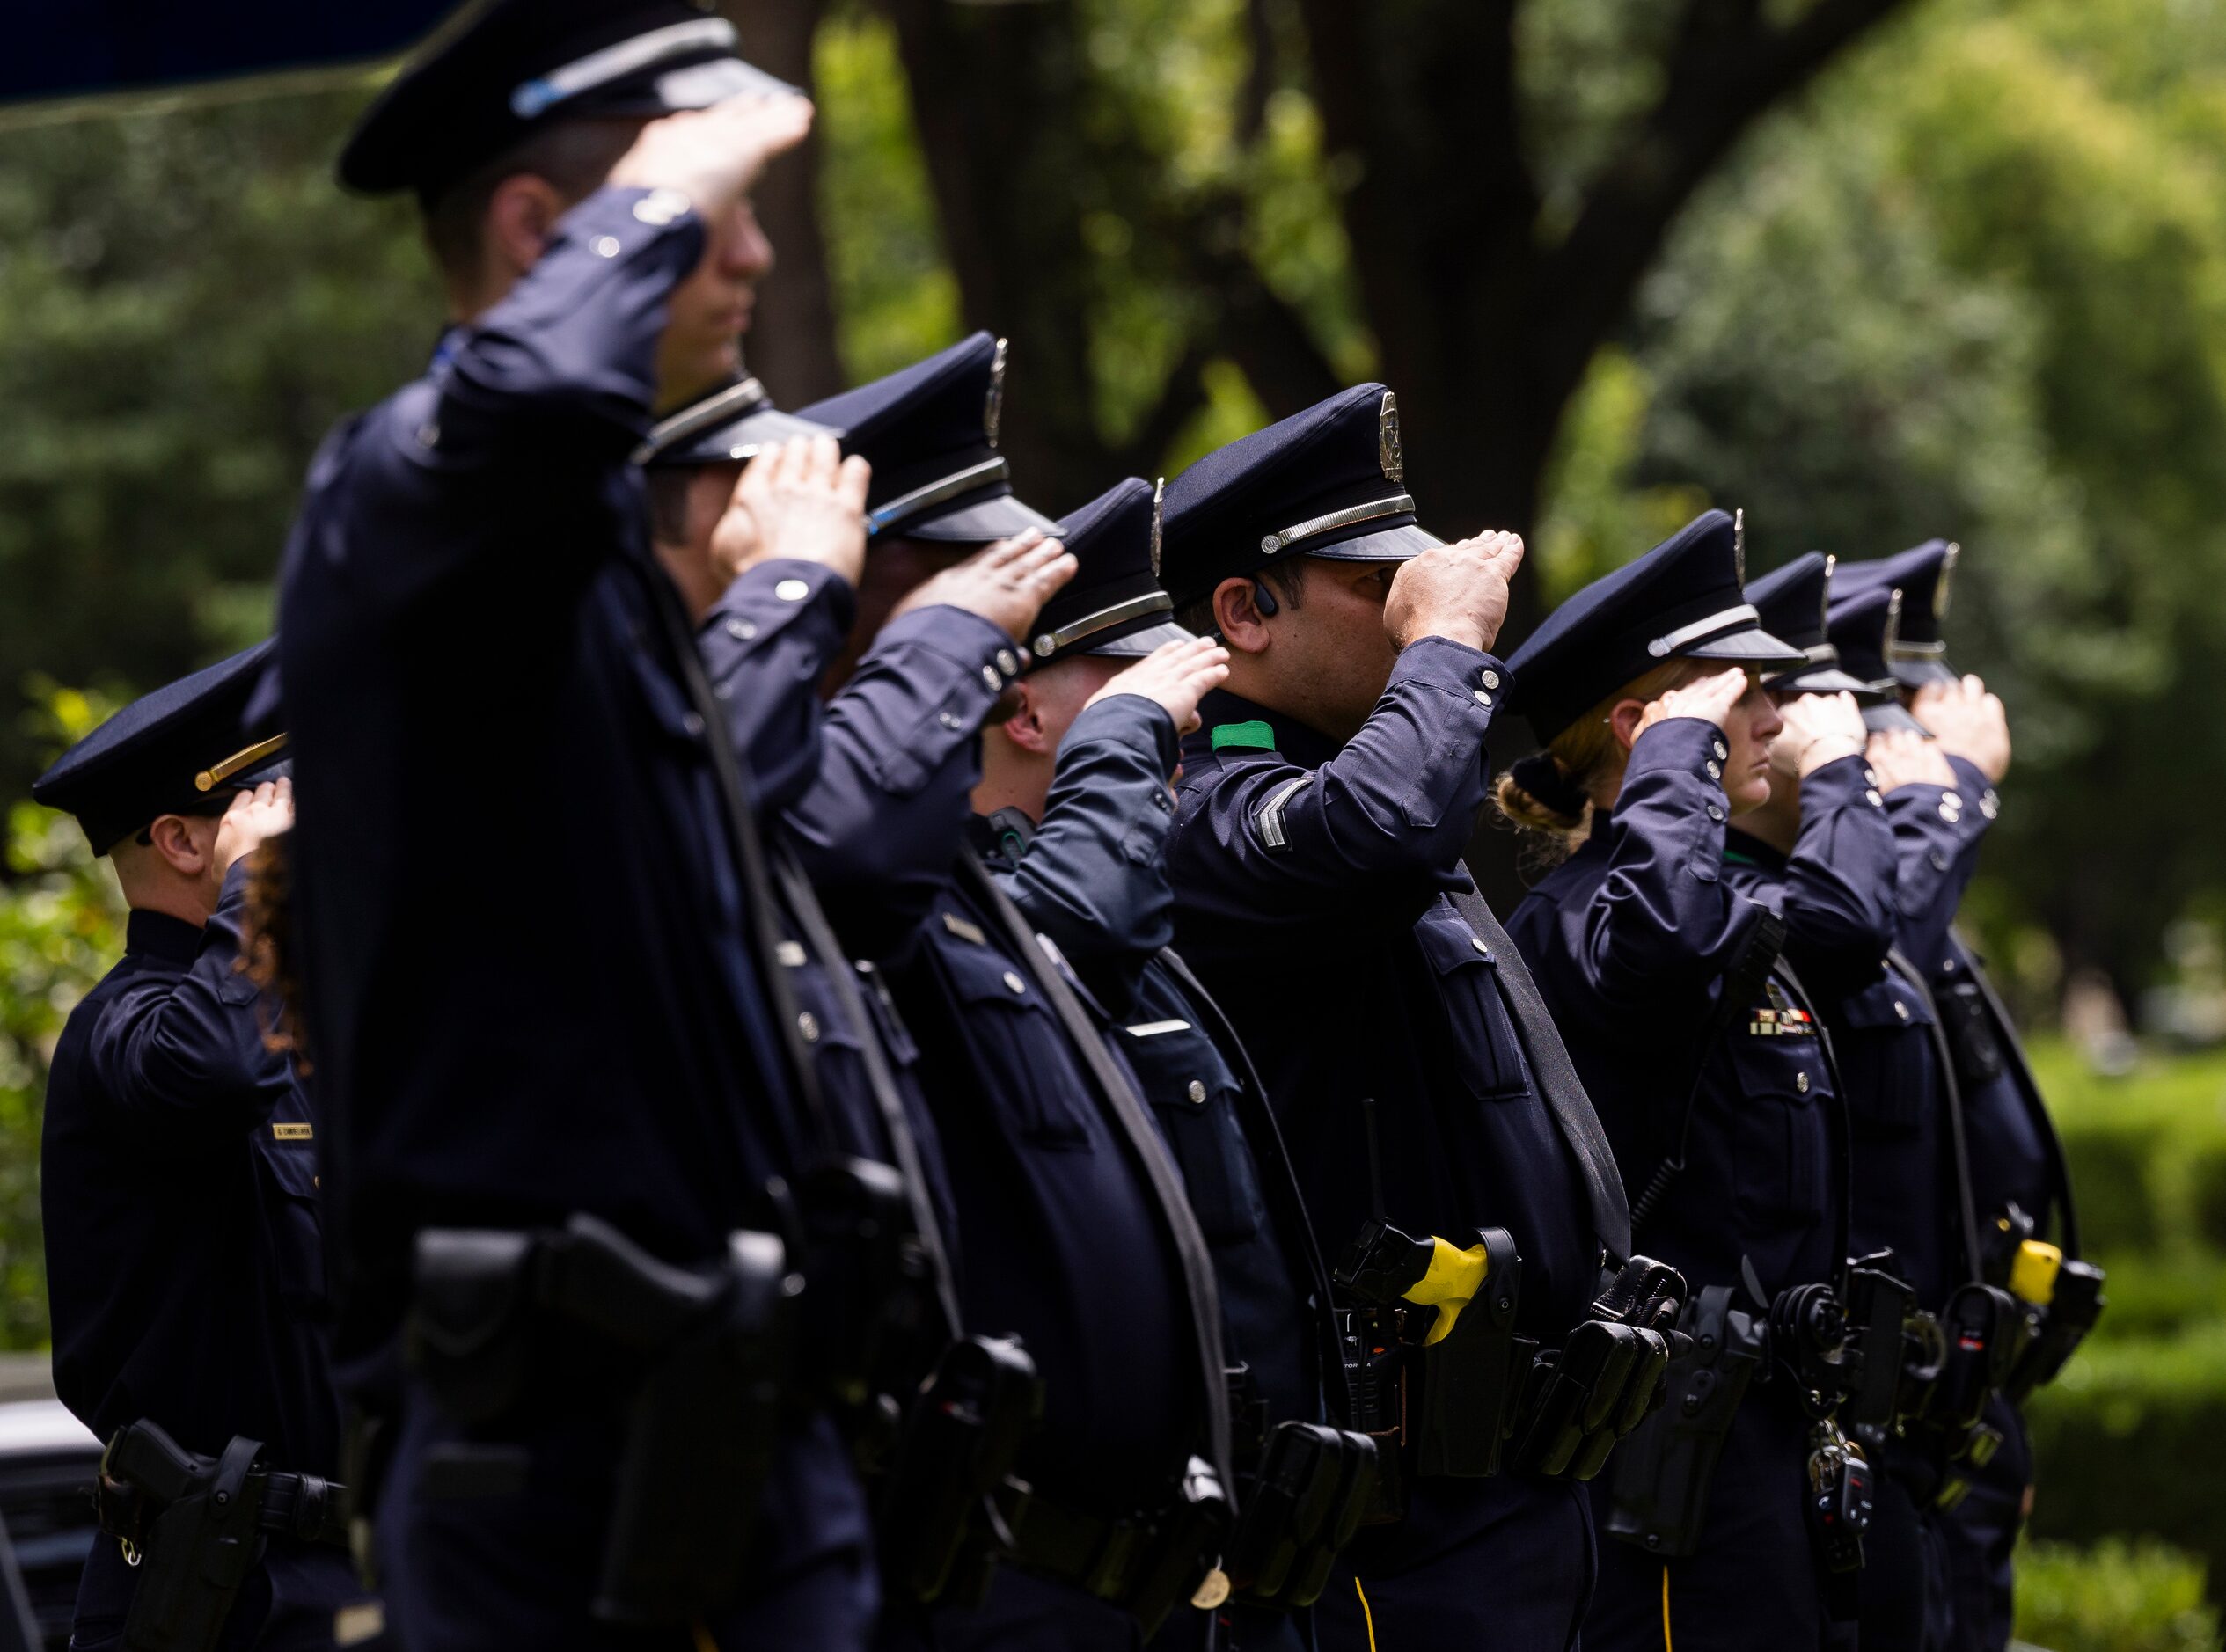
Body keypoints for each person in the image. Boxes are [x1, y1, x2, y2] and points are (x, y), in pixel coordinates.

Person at [277, 5, 875, 1643]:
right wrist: (657, 187)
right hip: (540, 1471)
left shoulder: (585, 570)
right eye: (714, 211)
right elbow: (520, 406)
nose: (749, 252)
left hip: (733, 1424)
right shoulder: (399, 502)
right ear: (547, 230)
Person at [1158, 385, 1659, 1652]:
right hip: (1392, 1534)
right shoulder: (1208, 805)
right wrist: (1443, 648)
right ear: (1241, 611)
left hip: (1523, 1491)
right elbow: (1369, 840)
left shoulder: (1379, 799)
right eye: (1371, 583)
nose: (1411, 603)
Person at [791, 343, 1240, 1648]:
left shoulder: (949, 862)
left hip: (1125, 1570)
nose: (985, 627)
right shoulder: (872, 859)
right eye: (960, 592)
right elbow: (1077, 915)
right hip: (988, 1577)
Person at [970, 477, 1378, 1652]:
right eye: (1127, 687)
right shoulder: (1002, 909)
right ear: (1025, 714)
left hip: (1230, 1557)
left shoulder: (1132, 909)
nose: (1178, 716)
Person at [1497, 509, 1868, 1651]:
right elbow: (1655, 948)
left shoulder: (1714, 912)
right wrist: (1673, 764)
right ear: (1639, 728)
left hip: (1759, 1449)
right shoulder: (1582, 919)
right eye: (1735, 697)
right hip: (1667, 1474)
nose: (1769, 718)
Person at [33, 643, 381, 1650]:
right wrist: (257, 891)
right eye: (282, 813)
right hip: (224, 1587)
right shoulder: (126, 1028)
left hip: (358, 1566)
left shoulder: (306, 1025)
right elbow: (210, 1071)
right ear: (190, 845)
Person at [1831, 542, 2094, 1652]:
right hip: (1887, 1420)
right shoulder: (1860, 894)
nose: (1923, 741)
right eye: (1899, 709)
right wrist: (1953, 797)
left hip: (1956, 1404)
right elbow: (1871, 948)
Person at [1739, 552, 1964, 1652]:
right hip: (1769, 1448)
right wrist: (1937, 798)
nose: (1869, 750)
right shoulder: (1741, 909)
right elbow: (1865, 932)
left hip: (1892, 1410)